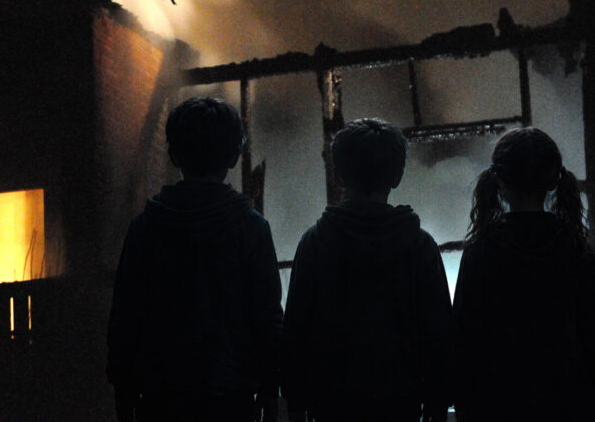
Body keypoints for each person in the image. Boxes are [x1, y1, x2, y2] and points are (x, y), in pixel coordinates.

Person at [106, 97, 283, 422]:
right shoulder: (251, 228)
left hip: (161, 396)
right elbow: (267, 317)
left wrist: (123, 387)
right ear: (234, 156)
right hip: (232, 396)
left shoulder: (146, 227)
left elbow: (126, 315)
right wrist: (270, 388)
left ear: (173, 155)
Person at [282, 118, 452, 422]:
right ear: (397, 176)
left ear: (338, 176)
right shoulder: (420, 245)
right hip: (400, 402)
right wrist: (437, 402)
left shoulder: (315, 242)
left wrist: (295, 403)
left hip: (333, 404)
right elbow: (438, 332)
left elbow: (296, 328)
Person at [452, 127, 595, 421]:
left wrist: (466, 405)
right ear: (554, 181)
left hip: (498, 404)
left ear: (499, 181)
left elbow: (464, 341)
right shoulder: (575, 249)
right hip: (567, 403)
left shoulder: (480, 251)